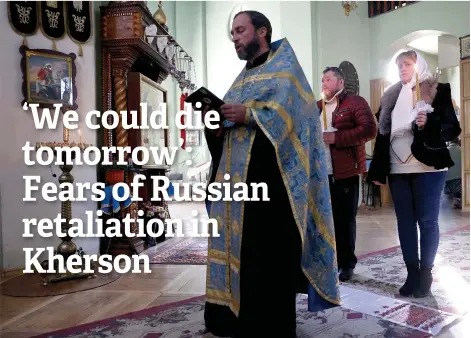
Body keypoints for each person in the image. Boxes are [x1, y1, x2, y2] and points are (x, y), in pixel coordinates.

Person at [201, 10, 340, 337]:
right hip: (238, 190)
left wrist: (249, 115)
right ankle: (233, 317)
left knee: (269, 256)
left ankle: (272, 325)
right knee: (243, 253)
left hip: (274, 189)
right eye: (232, 33)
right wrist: (216, 123)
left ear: (262, 31)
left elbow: (297, 122)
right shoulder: (242, 79)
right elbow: (231, 129)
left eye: (240, 30)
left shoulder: (287, 73)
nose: (235, 37)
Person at [367, 50, 461, 298]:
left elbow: (452, 129)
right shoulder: (390, 96)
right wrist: (377, 168)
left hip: (428, 167)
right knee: (405, 222)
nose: (402, 69)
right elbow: (383, 135)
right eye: (398, 65)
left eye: (407, 64)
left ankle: (426, 273)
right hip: (398, 169)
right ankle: (411, 273)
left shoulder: (438, 89)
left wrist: (429, 124)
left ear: (418, 64)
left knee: (427, 221)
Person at [317, 67, 377, 281]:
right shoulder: (317, 106)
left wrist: (338, 138)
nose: (324, 83)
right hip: (321, 174)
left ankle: (346, 265)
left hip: (345, 172)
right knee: (323, 222)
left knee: (344, 221)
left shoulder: (355, 103)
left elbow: (370, 130)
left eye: (329, 79)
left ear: (340, 82)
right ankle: (326, 262)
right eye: (323, 79)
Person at [444, 137, 462, 209]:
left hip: (447, 181)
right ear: (458, 141)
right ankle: (457, 199)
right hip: (460, 180)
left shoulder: (446, 151)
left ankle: (455, 198)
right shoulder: (462, 150)